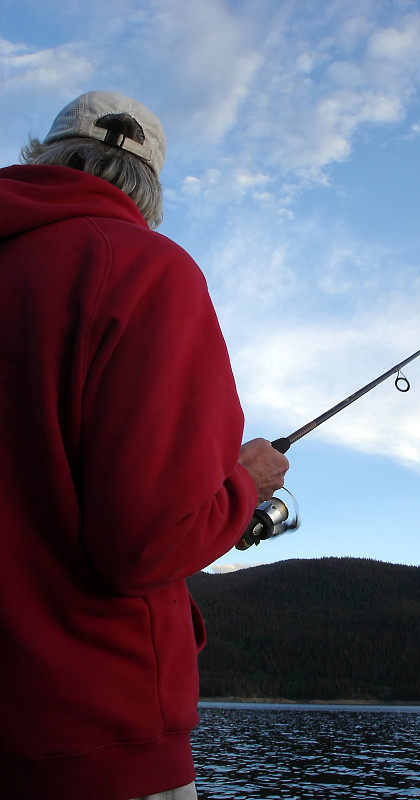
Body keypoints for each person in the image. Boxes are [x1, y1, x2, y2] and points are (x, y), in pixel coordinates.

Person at [0, 91, 289, 800]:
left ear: (41, 153)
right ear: (150, 192)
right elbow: (146, 543)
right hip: (90, 745)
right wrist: (245, 486)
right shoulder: (145, 269)